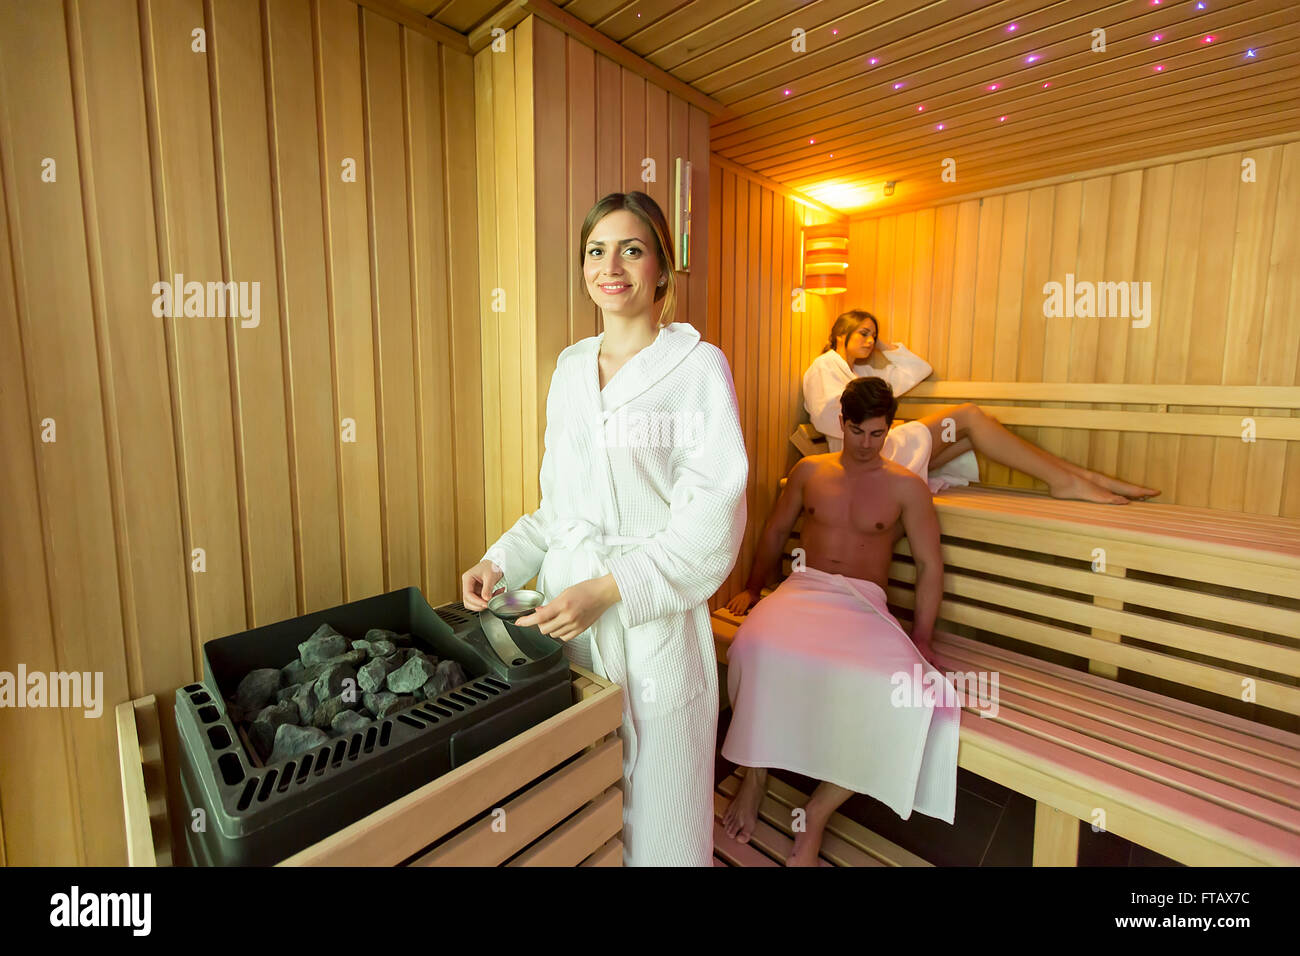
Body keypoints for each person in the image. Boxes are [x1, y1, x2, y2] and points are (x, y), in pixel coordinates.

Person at [461, 191, 748, 867]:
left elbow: (713, 525)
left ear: (660, 272)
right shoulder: (567, 371)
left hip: (651, 627)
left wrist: (611, 588)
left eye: (632, 249)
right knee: (580, 812)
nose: (610, 265)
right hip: (570, 622)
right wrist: (499, 562)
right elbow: (559, 510)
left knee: (662, 821)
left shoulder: (698, 370)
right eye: (596, 250)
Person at [720, 377, 960, 866]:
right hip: (803, 590)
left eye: (878, 434)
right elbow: (775, 531)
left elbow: (929, 565)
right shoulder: (810, 472)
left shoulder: (907, 487)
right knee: (752, 649)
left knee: (906, 692)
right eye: (858, 432)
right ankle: (756, 775)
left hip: (863, 604)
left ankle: (818, 811)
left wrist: (922, 638)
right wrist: (751, 586)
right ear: (841, 425)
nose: (867, 445)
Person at [802, 309, 1159, 504]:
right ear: (839, 333)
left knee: (975, 431)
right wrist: (886, 428)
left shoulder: (860, 372)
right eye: (863, 332)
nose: (870, 339)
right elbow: (828, 419)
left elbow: (918, 371)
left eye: (873, 334)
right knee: (969, 415)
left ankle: (1082, 478)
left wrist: (885, 347)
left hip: (887, 450)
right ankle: (1068, 481)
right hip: (865, 458)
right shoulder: (824, 367)